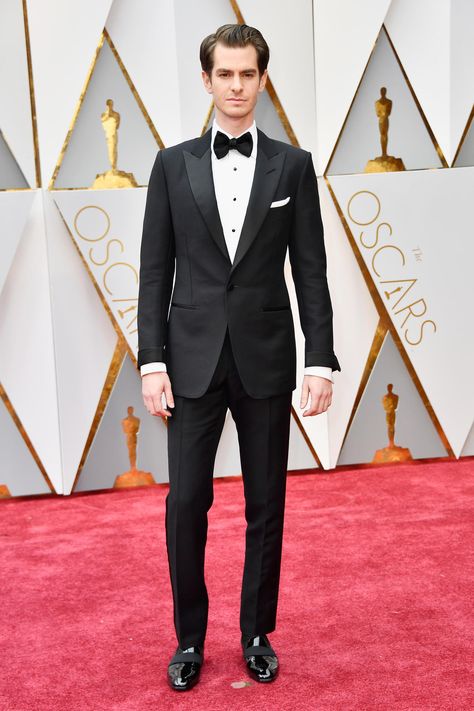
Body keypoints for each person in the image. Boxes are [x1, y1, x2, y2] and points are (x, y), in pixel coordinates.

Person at [137, 23, 341, 691]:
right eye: (223, 74)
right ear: (207, 80)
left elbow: (311, 268)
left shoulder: (294, 166)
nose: (234, 85)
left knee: (267, 503)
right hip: (190, 359)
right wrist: (151, 360)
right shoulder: (172, 165)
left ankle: (256, 632)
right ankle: (189, 640)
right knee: (185, 503)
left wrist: (320, 360)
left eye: (246, 74)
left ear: (260, 79)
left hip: (266, 356)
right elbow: (153, 271)